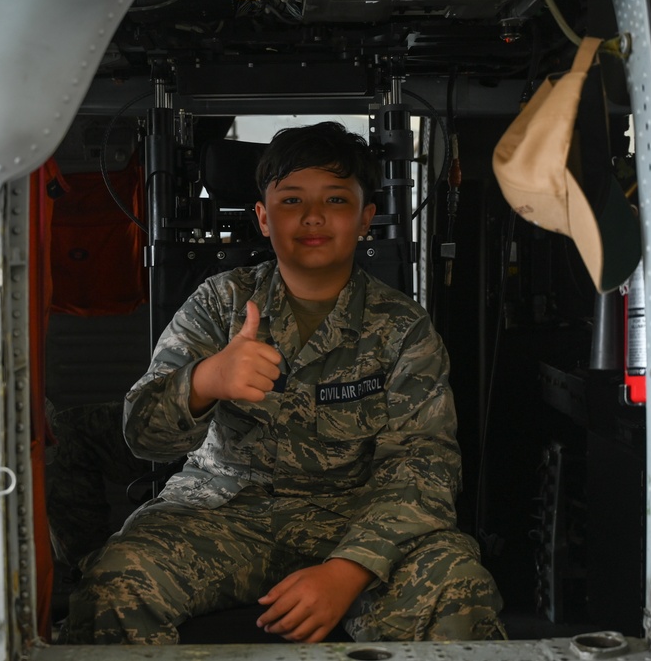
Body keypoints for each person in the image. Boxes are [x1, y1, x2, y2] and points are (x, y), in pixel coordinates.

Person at [65, 121, 505, 644]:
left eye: (336, 200)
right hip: (221, 512)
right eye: (291, 200)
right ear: (263, 218)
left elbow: (423, 467)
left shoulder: (402, 327)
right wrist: (206, 380)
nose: (313, 216)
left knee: (455, 586)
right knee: (115, 583)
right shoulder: (219, 302)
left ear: (367, 219)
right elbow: (143, 435)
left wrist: (348, 570)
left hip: (354, 518)